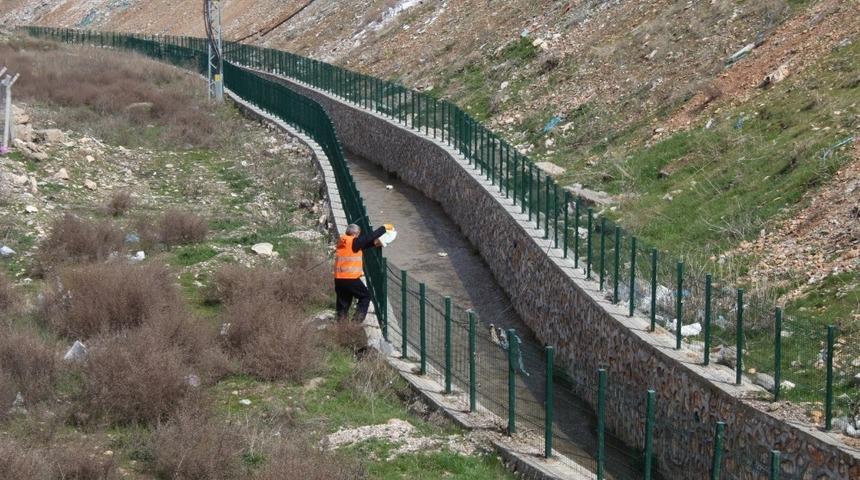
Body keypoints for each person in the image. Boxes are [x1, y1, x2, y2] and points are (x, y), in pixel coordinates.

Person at [334, 223, 387, 324]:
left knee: (343, 304)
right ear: (355, 233)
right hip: (350, 278)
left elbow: (361, 245)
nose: (359, 236)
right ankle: (355, 323)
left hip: (339, 279)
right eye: (358, 234)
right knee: (365, 296)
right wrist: (383, 228)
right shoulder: (354, 241)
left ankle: (341, 327)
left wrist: (374, 244)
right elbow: (368, 238)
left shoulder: (343, 241)